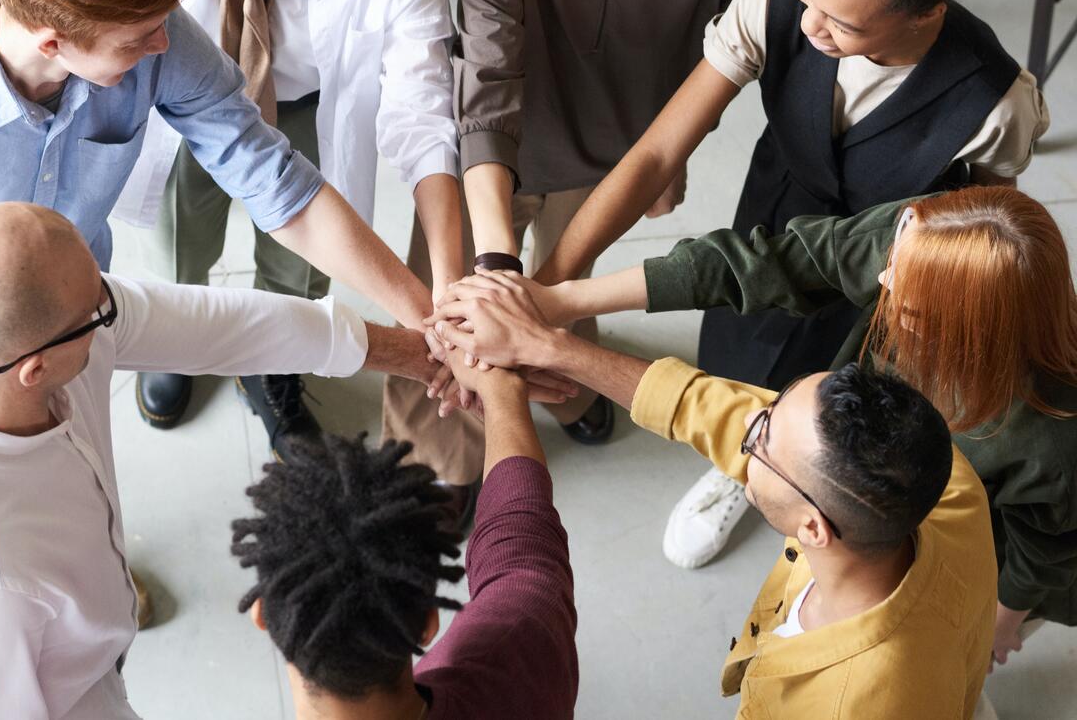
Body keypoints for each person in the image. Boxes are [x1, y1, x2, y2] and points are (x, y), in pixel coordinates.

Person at [0, 201, 465, 719]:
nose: (113, 309)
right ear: (35, 370)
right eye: (98, 312)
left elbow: (219, 325)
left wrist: (414, 353)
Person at [530, 0, 1049, 567]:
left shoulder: (994, 101)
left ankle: (794, 478)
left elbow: (983, 235)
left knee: (834, 396)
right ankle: (741, 464)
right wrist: (547, 290)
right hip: (773, 218)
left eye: (842, 23)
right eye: (806, 0)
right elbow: (656, 154)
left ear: (926, 13)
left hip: (882, 272)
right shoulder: (773, 6)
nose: (809, 25)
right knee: (737, 345)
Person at [484, 186, 1077, 684]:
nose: (883, 277)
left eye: (909, 303)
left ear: (968, 331)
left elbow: (1043, 551)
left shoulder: (1051, 436)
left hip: (981, 562)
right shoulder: (920, 238)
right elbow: (775, 262)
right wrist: (560, 304)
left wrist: (999, 619)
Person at [0, 0, 440, 458]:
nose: (163, 43)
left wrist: (427, 320)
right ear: (53, 43)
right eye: (138, 40)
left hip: (78, 318)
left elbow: (273, 177)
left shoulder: (158, 34)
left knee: (75, 463)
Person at [425, 274, 997, 717]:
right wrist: (549, 347)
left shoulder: (850, 704)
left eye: (761, 438)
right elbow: (712, 407)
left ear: (814, 528)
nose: (745, 426)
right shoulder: (942, 484)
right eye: (772, 405)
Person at [381, 0, 733, 505]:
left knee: (569, 285)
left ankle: (567, 388)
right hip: (488, 145)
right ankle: (436, 454)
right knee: (450, 297)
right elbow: (486, 73)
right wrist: (498, 275)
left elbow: (723, 46)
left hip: (623, 145)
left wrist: (675, 147)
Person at [114, 0, 463, 444]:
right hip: (176, 90)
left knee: (301, 269)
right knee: (178, 240)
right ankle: (172, 342)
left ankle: (273, 367)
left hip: (307, 98)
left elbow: (424, 120)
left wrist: (445, 297)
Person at [231, 351, 579, 719]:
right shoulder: (524, 638)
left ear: (262, 615)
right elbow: (522, 548)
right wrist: (502, 396)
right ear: (428, 625)